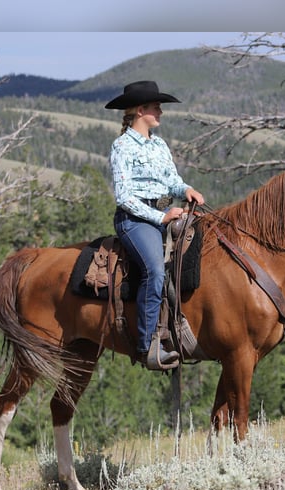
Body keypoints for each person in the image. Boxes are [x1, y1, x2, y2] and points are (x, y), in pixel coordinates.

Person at [105, 80, 205, 370]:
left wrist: (186, 189)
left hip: (166, 213)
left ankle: (180, 329)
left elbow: (171, 180)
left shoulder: (159, 144)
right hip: (135, 220)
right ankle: (148, 344)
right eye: (155, 107)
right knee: (154, 269)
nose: (160, 111)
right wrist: (160, 217)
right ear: (140, 110)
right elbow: (124, 196)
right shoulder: (121, 146)